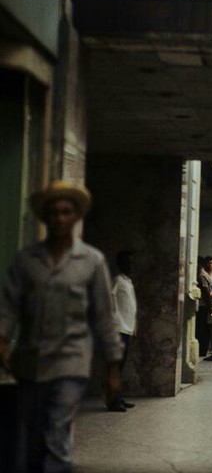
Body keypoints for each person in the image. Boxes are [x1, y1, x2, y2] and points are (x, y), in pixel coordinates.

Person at [0, 180, 123, 472]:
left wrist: (113, 367)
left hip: (71, 363)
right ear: (45, 217)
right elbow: (8, 305)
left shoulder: (91, 262)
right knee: (30, 441)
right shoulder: (27, 260)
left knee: (56, 432)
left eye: (66, 212)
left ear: (76, 216)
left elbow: (104, 317)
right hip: (29, 362)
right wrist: (2, 337)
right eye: (54, 212)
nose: (60, 218)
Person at [111, 250, 138, 411]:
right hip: (119, 328)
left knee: (121, 367)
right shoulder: (117, 281)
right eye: (128, 262)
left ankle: (118, 397)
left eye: (132, 262)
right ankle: (112, 400)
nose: (131, 265)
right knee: (115, 367)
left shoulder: (128, 281)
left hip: (127, 328)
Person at [195, 255, 212, 357]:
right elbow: (206, 291)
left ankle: (203, 349)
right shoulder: (203, 275)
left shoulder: (202, 275)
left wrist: (210, 305)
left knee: (203, 328)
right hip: (204, 304)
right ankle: (203, 349)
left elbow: (206, 291)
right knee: (203, 328)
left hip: (203, 305)